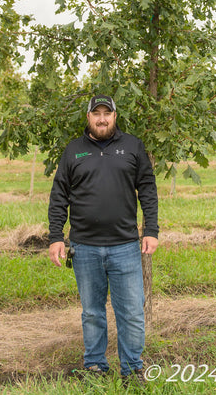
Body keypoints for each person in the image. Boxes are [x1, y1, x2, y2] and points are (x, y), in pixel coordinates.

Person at [48, 94, 159, 383]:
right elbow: (59, 194)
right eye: (95, 113)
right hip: (84, 247)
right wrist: (56, 236)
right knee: (93, 313)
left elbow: (147, 188)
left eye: (106, 113)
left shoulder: (132, 146)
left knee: (132, 313)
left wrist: (151, 230)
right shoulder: (74, 151)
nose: (101, 118)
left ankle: (132, 368)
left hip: (125, 246)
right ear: (88, 117)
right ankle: (95, 366)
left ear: (114, 116)